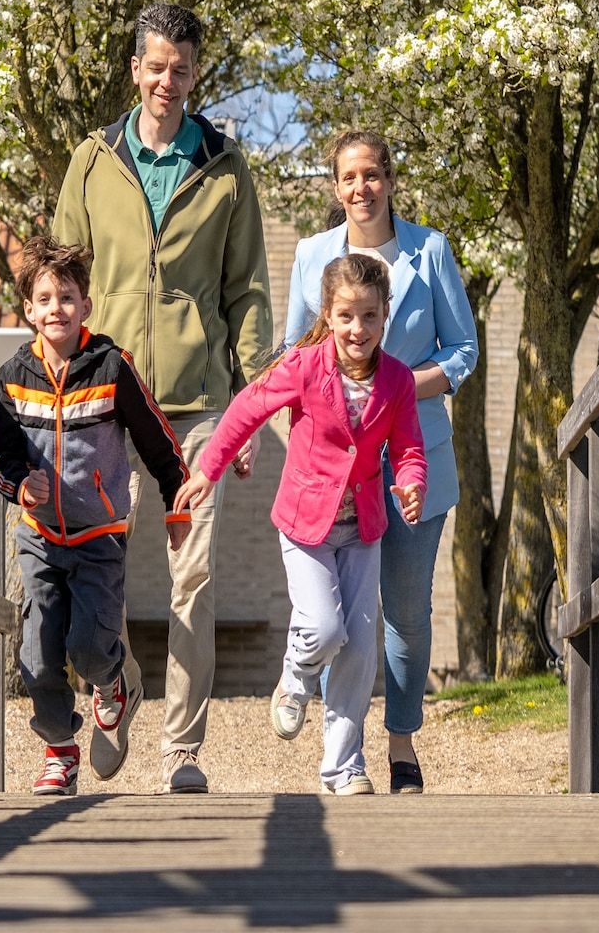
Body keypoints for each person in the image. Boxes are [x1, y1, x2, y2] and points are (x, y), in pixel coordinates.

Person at [53, 2, 275, 794]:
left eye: (181, 69)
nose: (167, 81)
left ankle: (182, 748)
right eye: (155, 66)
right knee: (98, 568)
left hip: (198, 406)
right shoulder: (92, 160)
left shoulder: (224, 164)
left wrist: (250, 404)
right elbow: (64, 278)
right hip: (109, 403)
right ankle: (116, 689)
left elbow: (247, 290)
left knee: (194, 576)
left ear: (193, 74)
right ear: (135, 69)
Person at [178, 253, 425, 796]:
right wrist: (208, 470)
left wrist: (411, 484)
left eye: (368, 317)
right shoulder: (306, 365)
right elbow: (246, 409)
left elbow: (408, 448)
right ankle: (295, 677)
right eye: (346, 316)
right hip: (305, 523)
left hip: (363, 527)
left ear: (385, 316)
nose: (357, 329)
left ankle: (344, 767)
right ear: (329, 316)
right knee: (324, 627)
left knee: (360, 648)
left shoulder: (399, 380)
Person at [283, 129, 478, 795]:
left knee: (406, 611)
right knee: (345, 614)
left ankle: (400, 740)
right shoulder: (311, 256)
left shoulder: (431, 252)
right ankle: (348, 756)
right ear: (335, 188)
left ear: (391, 180)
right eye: (348, 178)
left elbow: (463, 352)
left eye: (372, 175)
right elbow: (293, 358)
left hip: (418, 461)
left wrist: (397, 383)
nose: (361, 188)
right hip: (339, 470)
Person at [0, 237, 191, 797]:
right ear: (28, 308)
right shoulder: (12, 376)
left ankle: (114, 682)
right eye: (45, 298)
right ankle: (60, 752)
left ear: (86, 305)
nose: (57, 308)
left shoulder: (110, 365)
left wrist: (177, 499)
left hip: (100, 532)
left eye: (68, 297)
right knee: (36, 653)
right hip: (40, 537)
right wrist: (19, 486)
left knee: (86, 646)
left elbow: (156, 439)